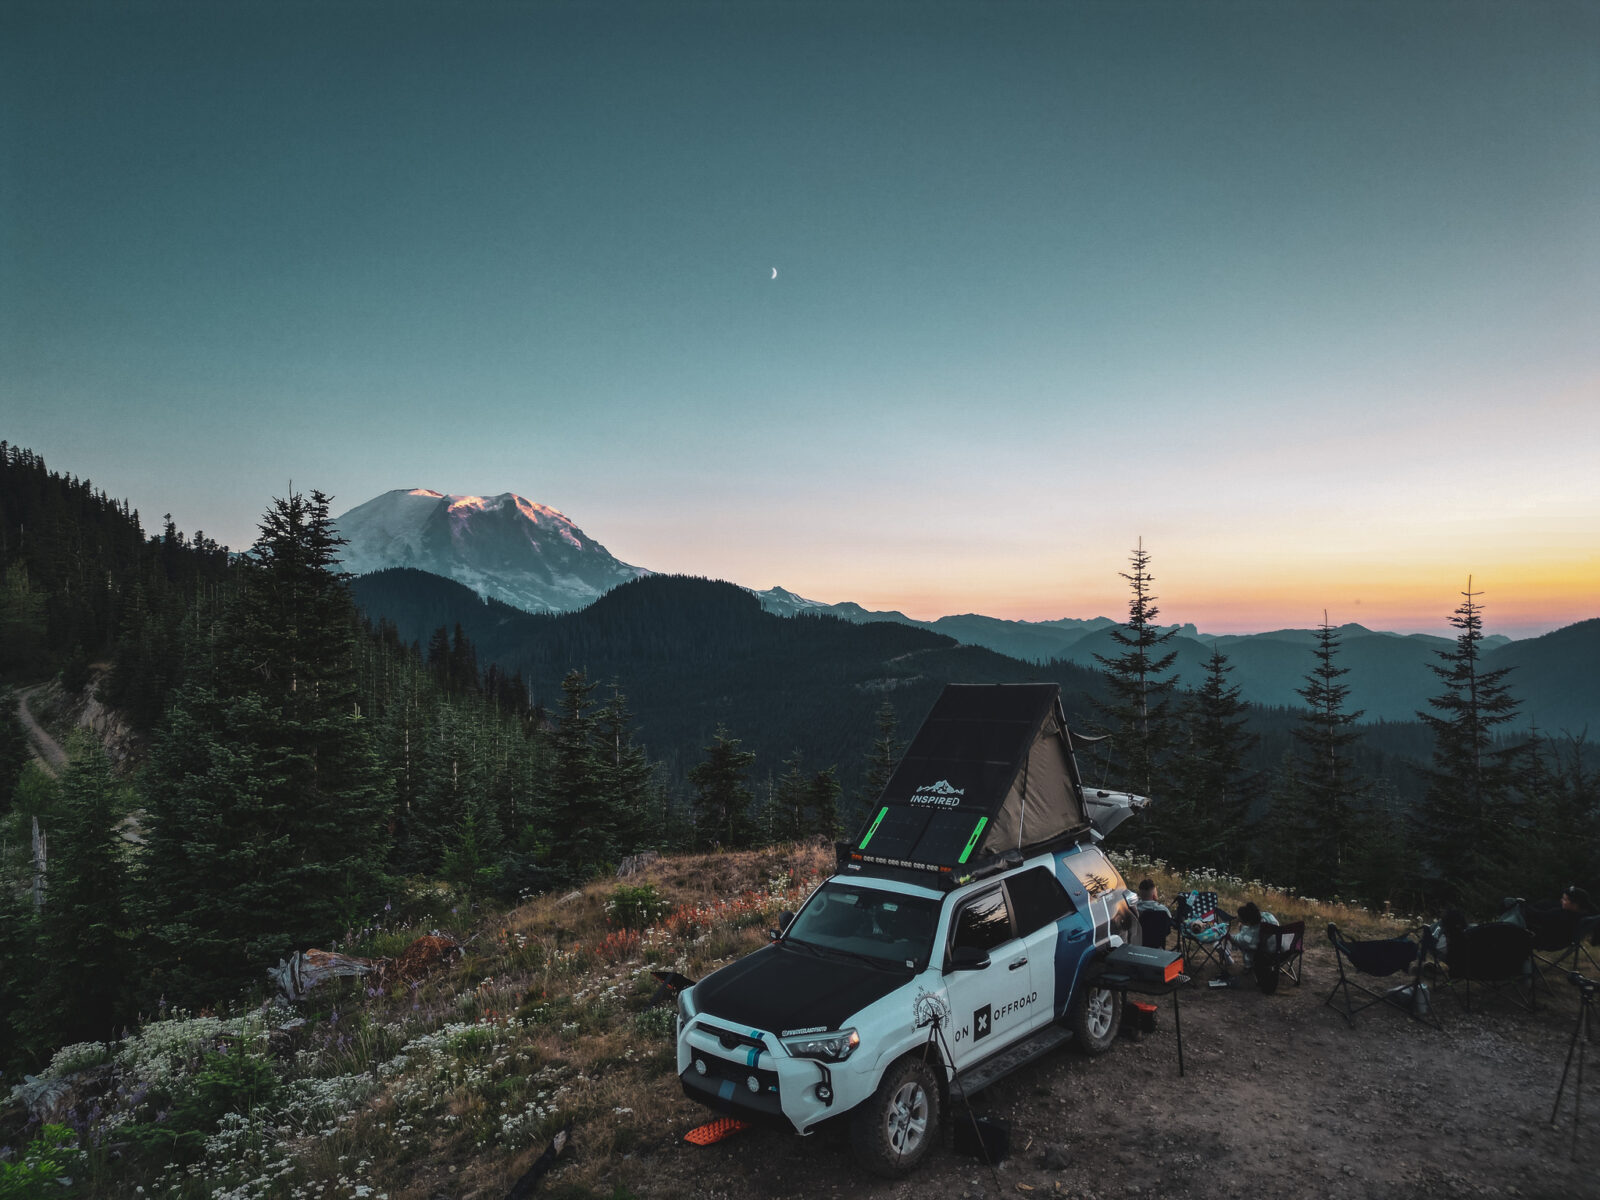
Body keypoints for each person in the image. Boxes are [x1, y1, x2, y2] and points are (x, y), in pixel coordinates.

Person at [1231, 901, 1279, 970]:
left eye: (1242, 921)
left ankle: (1248, 966)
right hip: (1282, 950)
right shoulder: (1268, 915)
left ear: (1248, 922)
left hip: (1267, 954)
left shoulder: (1252, 935)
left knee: (1247, 947)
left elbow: (1238, 940)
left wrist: (1230, 936)